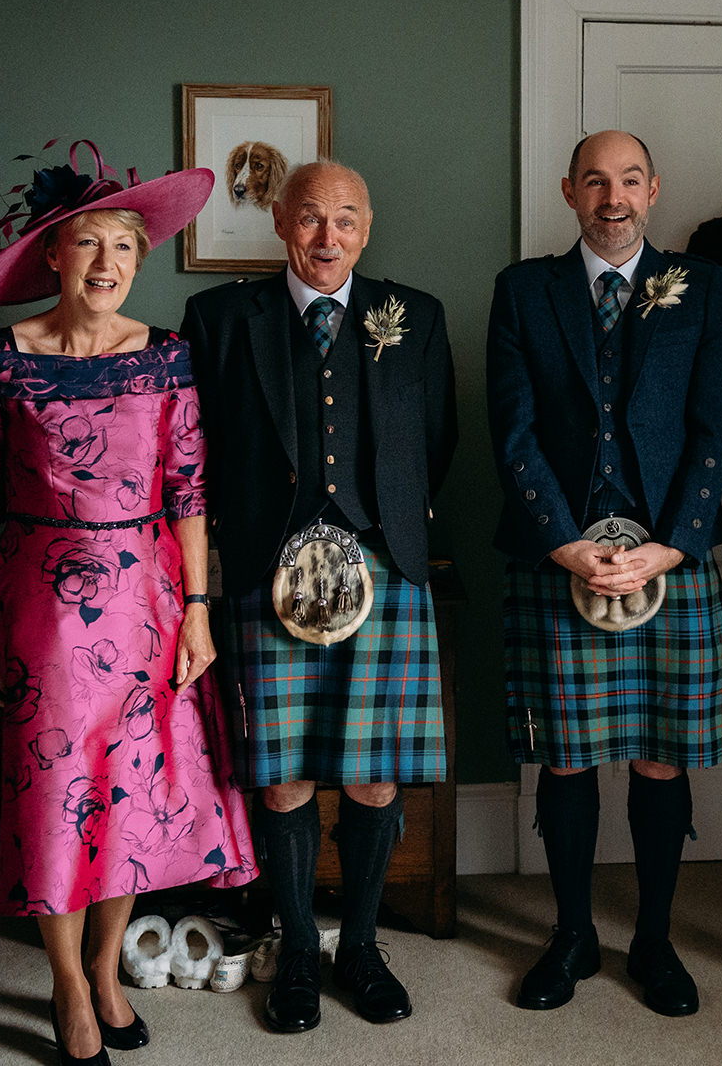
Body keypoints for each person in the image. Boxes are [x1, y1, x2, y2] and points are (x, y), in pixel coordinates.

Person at [0, 148, 259, 1066]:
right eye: (90, 242)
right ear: (53, 254)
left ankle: (109, 964)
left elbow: (190, 490)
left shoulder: (166, 358)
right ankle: (69, 986)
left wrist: (197, 609)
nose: (109, 261)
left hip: (148, 601)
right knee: (53, 794)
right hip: (35, 599)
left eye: (125, 244)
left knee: (126, 801)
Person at [180, 160, 456, 1035]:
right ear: (279, 224)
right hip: (268, 572)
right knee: (285, 779)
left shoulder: (416, 315)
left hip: (383, 571)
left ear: (367, 228)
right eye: (309, 218)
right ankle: (299, 947)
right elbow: (198, 449)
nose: (326, 237)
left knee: (375, 778)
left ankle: (362, 946)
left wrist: (385, 527)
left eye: (344, 219)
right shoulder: (222, 318)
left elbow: (436, 438)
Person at [487, 130, 722, 1017]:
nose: (614, 196)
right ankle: (571, 934)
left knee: (663, 759)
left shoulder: (703, 286)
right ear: (569, 191)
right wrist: (562, 541)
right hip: (559, 558)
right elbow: (512, 432)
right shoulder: (523, 290)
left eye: (630, 179)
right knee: (564, 760)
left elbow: (716, 428)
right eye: (596, 180)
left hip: (669, 556)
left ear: (654, 188)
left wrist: (675, 541)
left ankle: (657, 940)